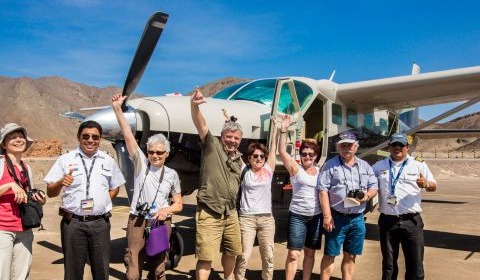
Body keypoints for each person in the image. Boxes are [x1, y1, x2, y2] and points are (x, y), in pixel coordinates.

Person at [112, 94, 183, 280]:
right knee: (133, 266)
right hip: (138, 219)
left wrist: (166, 210)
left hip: (160, 222)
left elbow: (179, 203)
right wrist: (117, 109)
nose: (155, 155)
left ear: (166, 153)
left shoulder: (172, 175)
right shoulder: (141, 164)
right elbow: (128, 134)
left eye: (159, 152)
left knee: (159, 267)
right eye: (151, 151)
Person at [44, 120, 126, 280]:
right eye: (86, 136)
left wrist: (103, 202)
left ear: (100, 139)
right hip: (73, 223)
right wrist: (61, 182)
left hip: (100, 224)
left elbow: (115, 186)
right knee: (73, 272)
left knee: (101, 270)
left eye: (95, 137)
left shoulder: (107, 160)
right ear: (78, 137)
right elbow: (50, 192)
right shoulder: (65, 159)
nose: (90, 140)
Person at [190, 88, 243, 280]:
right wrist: (194, 106)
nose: (232, 140)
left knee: (232, 251)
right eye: (229, 137)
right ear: (222, 137)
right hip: (210, 211)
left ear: (240, 141)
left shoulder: (239, 159)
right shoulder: (212, 146)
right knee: (205, 256)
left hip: (231, 213)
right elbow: (201, 125)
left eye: (236, 138)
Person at [372, 133, 437, 280]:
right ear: (389, 147)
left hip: (411, 222)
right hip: (388, 222)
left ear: (407, 147)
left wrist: (426, 184)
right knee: (389, 266)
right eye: (394, 145)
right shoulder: (379, 165)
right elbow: (366, 182)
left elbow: (434, 185)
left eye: (401, 145)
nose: (397, 148)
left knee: (415, 266)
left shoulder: (418, 164)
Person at [317, 131, 378, 280]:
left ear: (356, 147)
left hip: (358, 218)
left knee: (351, 255)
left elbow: (374, 187)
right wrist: (327, 216)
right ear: (338, 148)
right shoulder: (330, 165)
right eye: (343, 146)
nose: (347, 149)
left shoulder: (365, 166)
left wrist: (367, 196)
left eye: (350, 145)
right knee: (330, 254)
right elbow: (323, 191)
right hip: (337, 218)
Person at [278, 115, 322, 280]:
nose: (307, 157)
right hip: (297, 215)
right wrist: (283, 130)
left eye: (311, 154)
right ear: (300, 155)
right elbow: (282, 152)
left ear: (316, 155)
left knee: (310, 252)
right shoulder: (296, 169)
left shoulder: (321, 171)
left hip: (316, 216)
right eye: (304, 153)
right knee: (294, 254)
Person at [0, 123, 46, 280]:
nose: (18, 139)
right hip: (2, 228)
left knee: (21, 275)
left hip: (25, 228)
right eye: (13, 137)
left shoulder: (27, 168)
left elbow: (27, 194)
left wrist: (39, 199)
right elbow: (10, 188)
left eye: (21, 136)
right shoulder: (0, 165)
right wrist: (9, 185)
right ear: (4, 144)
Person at [234, 124, 278, 280]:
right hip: (247, 219)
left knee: (268, 257)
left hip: (266, 219)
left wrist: (277, 128)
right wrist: (229, 121)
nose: (259, 158)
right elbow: (233, 148)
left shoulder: (268, 169)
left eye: (261, 156)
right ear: (249, 158)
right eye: (255, 156)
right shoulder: (244, 170)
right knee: (243, 256)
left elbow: (273, 148)